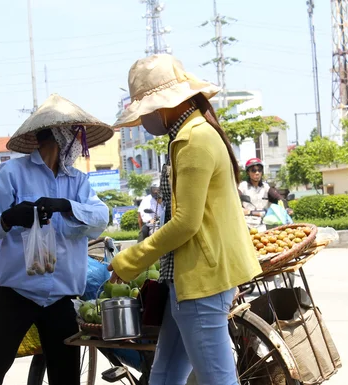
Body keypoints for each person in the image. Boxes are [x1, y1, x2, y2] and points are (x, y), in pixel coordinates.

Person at [107, 54, 262, 385]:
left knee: (217, 379)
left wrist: (130, 260)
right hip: (187, 280)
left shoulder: (193, 139)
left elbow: (186, 222)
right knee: (163, 376)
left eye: (146, 111)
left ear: (163, 106)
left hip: (200, 281)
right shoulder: (188, 136)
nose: (145, 121)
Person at [0, 94, 111, 385]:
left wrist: (66, 206)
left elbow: (100, 219)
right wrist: (9, 218)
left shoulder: (78, 181)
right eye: (74, 136)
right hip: (16, 294)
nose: (79, 145)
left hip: (60, 299)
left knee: (66, 379)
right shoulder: (13, 173)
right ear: (60, 136)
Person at [238, 158, 292, 227]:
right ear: (248, 172)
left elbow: (278, 197)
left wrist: (286, 207)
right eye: (253, 170)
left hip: (264, 222)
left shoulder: (266, 187)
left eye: (259, 170)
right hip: (247, 222)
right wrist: (249, 212)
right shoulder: (242, 186)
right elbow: (235, 204)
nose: (257, 173)